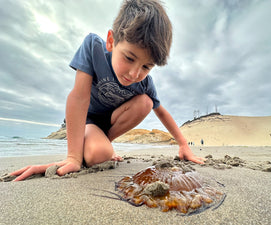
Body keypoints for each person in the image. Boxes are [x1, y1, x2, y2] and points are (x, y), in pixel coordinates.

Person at [10, 0, 205, 181]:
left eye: (147, 67)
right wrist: (73, 158)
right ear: (111, 41)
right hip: (87, 120)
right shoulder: (94, 48)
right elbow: (79, 98)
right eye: (129, 58)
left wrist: (183, 144)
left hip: (109, 124)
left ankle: (102, 143)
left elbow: (160, 111)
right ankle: (95, 147)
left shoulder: (145, 83)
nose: (135, 73)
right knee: (99, 155)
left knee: (146, 102)